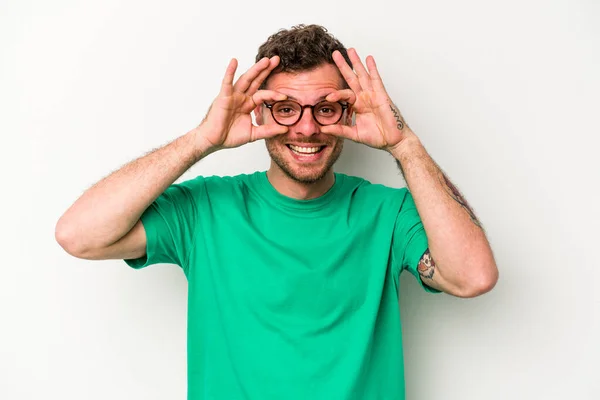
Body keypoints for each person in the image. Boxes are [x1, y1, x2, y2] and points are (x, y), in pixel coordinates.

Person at [56, 24, 498, 400]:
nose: (306, 127)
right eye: (287, 109)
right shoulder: (205, 209)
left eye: (325, 108)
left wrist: (404, 144)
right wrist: (200, 141)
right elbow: (79, 235)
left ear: (347, 110)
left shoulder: (389, 213)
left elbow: (472, 276)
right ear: (261, 110)